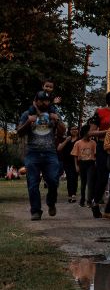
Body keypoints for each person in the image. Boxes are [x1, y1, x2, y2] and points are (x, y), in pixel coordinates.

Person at [17, 91, 66, 220]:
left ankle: (51, 202)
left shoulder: (52, 114)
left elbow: (62, 132)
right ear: (36, 100)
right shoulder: (27, 114)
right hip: (33, 153)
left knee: (53, 181)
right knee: (33, 183)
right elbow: (19, 133)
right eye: (42, 100)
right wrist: (28, 122)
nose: (45, 103)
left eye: (47, 101)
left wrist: (58, 120)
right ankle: (36, 211)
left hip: (50, 153)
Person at [88, 90, 110, 218]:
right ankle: (95, 202)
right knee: (103, 177)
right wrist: (108, 132)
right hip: (103, 147)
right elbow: (91, 133)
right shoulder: (100, 112)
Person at [71, 124, 96, 207]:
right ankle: (82, 200)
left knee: (90, 182)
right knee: (83, 183)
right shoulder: (78, 143)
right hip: (82, 164)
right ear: (85, 132)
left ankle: (89, 200)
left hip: (91, 164)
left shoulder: (93, 143)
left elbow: (95, 155)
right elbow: (75, 155)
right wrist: (76, 166)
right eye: (90, 131)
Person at [57, 125, 80, 203]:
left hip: (76, 162)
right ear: (69, 131)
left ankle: (73, 195)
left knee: (74, 178)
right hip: (67, 162)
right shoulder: (66, 139)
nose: (74, 130)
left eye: (76, 129)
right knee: (69, 178)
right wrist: (66, 140)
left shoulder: (79, 140)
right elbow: (59, 149)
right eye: (72, 129)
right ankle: (70, 195)